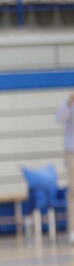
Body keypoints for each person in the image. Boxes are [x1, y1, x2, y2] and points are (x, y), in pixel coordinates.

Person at [56, 93, 74, 242]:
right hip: (72, 153)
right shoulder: (69, 103)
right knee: (73, 192)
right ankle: (73, 230)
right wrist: (69, 102)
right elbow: (59, 118)